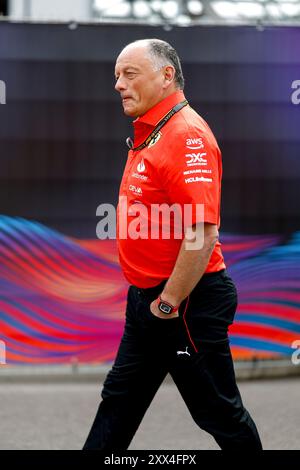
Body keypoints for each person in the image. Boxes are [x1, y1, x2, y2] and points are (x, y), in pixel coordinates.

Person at [83, 39, 262, 450]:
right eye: (116, 76)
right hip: (150, 303)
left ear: (166, 76)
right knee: (118, 404)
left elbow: (202, 234)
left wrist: (167, 304)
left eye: (129, 74)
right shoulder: (153, 131)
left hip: (183, 305)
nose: (118, 85)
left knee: (220, 415)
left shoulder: (186, 135)